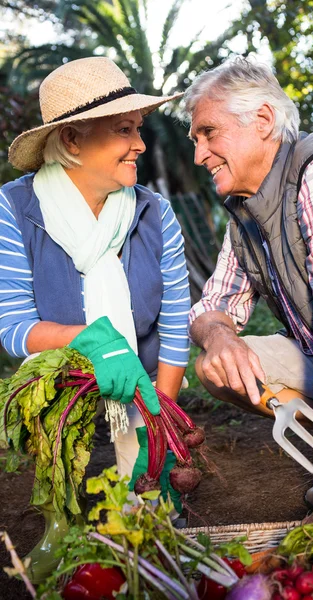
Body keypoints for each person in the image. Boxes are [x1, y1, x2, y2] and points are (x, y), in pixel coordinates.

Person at [182, 56, 313, 527]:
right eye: (195, 140)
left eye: (208, 133)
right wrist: (220, 336)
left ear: (262, 120)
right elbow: (212, 306)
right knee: (215, 367)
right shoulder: (245, 209)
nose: (199, 155)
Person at [0, 56, 190, 578]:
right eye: (123, 130)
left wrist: (162, 420)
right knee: (35, 388)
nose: (141, 144)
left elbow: (175, 321)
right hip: (67, 375)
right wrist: (87, 338)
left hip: (143, 378)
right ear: (73, 140)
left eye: (139, 129)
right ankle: (57, 517)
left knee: (150, 521)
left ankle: (149, 494)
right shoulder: (15, 209)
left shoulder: (154, 213)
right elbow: (13, 325)